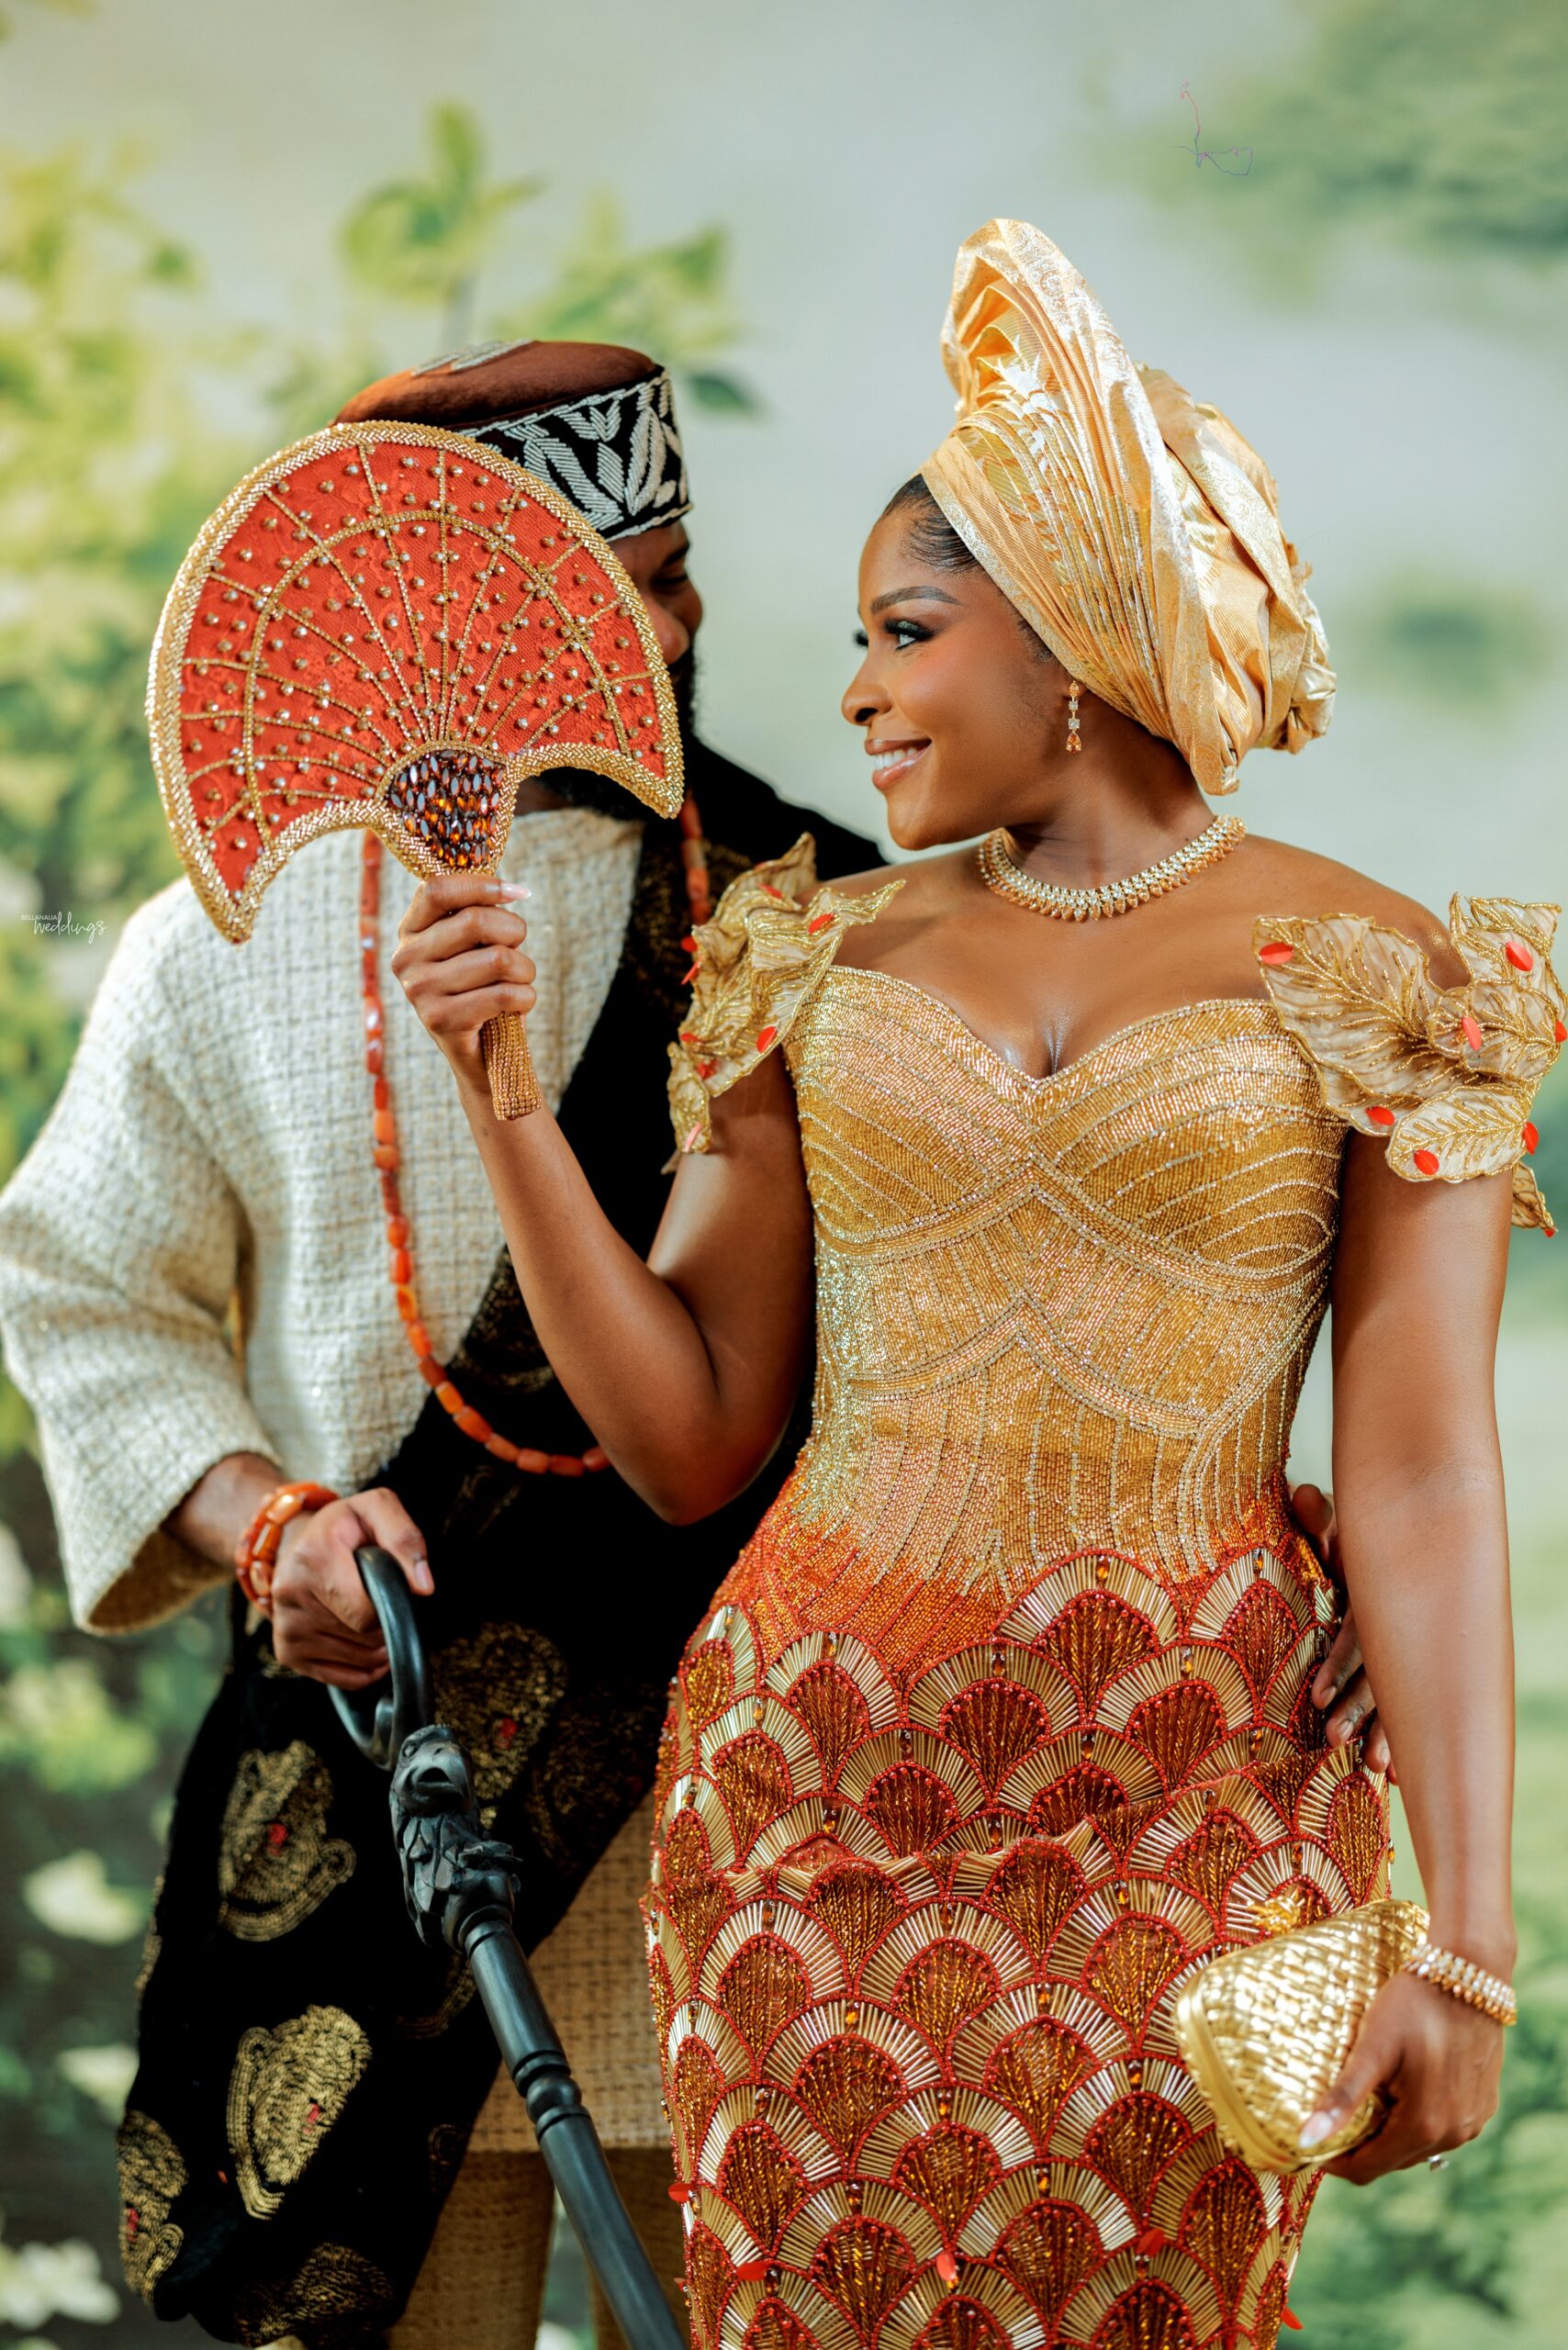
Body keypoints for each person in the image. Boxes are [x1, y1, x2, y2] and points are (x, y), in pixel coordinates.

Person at [387, 222, 1557, 2348]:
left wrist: (1465, 1945)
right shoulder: (802, 949)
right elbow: (685, 1436)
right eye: (855, 638)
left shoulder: (1388, 973)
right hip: (801, 1824)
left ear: (1075, 632)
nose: (853, 689)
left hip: (1194, 1818)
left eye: (903, 630)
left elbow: (1418, 1473)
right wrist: (501, 1104)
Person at [0, 341, 879, 2348]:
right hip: (381, 1813)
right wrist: (267, 1523)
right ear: (437, 611)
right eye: (605, 595)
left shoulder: (820, 917)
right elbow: (81, 1286)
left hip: (750, 1842)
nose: (670, 637)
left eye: (676, 576)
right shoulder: (215, 943)